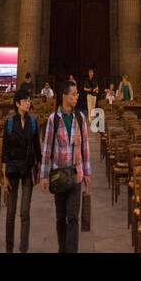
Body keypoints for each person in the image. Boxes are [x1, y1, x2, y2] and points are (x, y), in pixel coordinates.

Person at [40, 79, 91, 253]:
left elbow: (85, 146)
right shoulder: (53, 119)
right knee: (61, 218)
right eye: (74, 94)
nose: (77, 97)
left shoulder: (80, 118)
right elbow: (47, 149)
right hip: (59, 175)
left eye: (77, 94)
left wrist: (88, 172)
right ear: (65, 96)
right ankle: (63, 249)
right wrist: (44, 176)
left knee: (73, 218)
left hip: (76, 173)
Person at [2, 85, 42, 253]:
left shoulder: (33, 122)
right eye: (25, 100)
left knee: (25, 212)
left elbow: (37, 147)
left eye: (29, 100)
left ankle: (23, 248)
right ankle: (9, 248)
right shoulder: (10, 123)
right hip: (12, 170)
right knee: (10, 213)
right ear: (17, 104)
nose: (28, 102)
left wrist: (39, 169)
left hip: (27, 169)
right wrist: (4, 176)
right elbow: (4, 151)